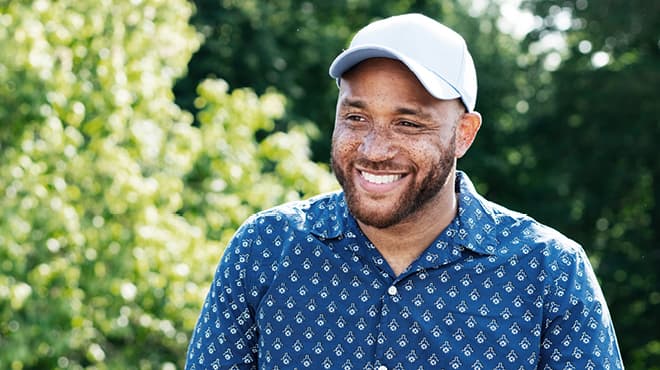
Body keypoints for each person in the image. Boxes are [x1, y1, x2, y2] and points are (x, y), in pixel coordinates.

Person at [185, 13, 623, 370]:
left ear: (464, 135)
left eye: (408, 123)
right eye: (356, 118)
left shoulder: (550, 272)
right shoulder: (263, 248)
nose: (374, 150)